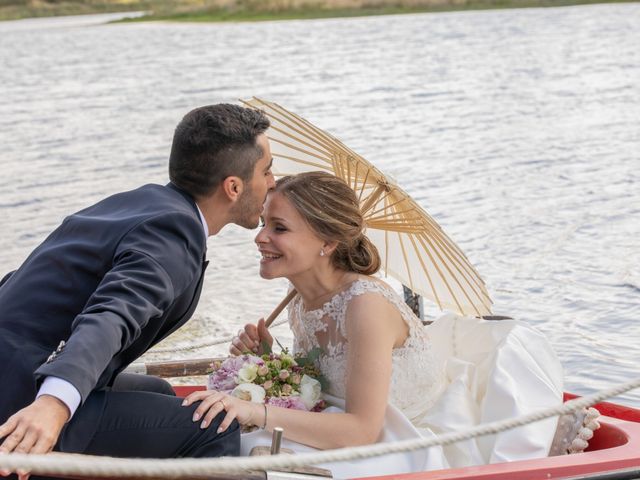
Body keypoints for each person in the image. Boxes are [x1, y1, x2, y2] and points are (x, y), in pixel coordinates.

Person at [182, 171, 565, 479]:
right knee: (236, 442)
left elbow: (362, 430)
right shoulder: (302, 298)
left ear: (327, 243)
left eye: (279, 228)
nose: (261, 237)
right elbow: (322, 386)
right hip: (345, 425)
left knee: (250, 449)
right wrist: (267, 362)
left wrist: (254, 411)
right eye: (264, 222)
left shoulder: (365, 304)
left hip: (403, 439)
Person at [0, 103, 276, 478]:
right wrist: (53, 404)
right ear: (233, 187)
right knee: (215, 426)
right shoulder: (173, 234)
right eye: (267, 170)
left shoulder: (145, 203)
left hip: (19, 363)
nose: (273, 182)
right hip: (21, 395)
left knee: (160, 392)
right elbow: (111, 315)